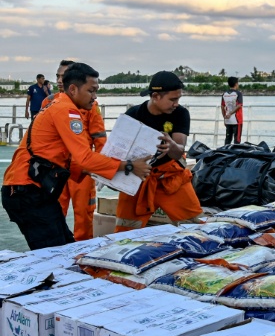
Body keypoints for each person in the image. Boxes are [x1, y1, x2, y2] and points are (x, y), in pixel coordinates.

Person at [2, 63, 151, 250]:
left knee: (65, 248)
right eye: (91, 91)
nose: (94, 97)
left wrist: (104, 172)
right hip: (28, 192)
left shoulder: (56, 105)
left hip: (34, 189)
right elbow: (85, 158)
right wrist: (128, 166)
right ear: (73, 89)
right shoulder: (67, 111)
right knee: (54, 254)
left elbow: (76, 157)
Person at [115, 71, 203, 232]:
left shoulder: (181, 114)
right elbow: (117, 151)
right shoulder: (133, 115)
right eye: (173, 99)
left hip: (170, 178)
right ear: (155, 96)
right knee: (125, 229)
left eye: (178, 99)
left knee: (195, 227)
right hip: (139, 179)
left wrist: (171, 147)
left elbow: (180, 150)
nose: (176, 103)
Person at [41, 59, 108, 242]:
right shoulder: (49, 102)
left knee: (84, 214)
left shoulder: (90, 104)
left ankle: (82, 251)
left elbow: (99, 136)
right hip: (57, 168)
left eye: (63, 76)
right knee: (54, 210)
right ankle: (56, 248)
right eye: (58, 76)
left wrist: (101, 167)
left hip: (82, 166)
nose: (60, 80)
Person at [221, 76, 243, 145]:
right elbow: (239, 105)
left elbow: (222, 107)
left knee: (228, 139)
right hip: (237, 120)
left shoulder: (224, 94)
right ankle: (235, 154)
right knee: (237, 140)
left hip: (228, 120)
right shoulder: (238, 93)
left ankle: (225, 152)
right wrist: (231, 113)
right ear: (236, 84)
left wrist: (224, 117)